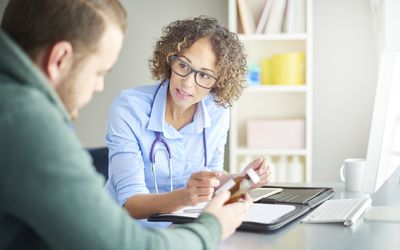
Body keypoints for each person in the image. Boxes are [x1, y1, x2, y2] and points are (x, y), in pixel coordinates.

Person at [0, 1, 252, 249]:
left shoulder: (16, 103)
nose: (99, 87)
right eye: (100, 72)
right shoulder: (27, 121)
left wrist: (235, 181)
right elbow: (128, 243)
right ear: (59, 60)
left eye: (205, 75)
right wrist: (213, 226)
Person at [105, 16, 270, 226]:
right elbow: (130, 204)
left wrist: (243, 180)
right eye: (183, 65)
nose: (187, 83)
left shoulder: (217, 110)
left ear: (218, 82)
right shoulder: (129, 108)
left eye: (205, 75)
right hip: (126, 231)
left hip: (183, 228)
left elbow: (212, 178)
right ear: (169, 58)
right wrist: (186, 196)